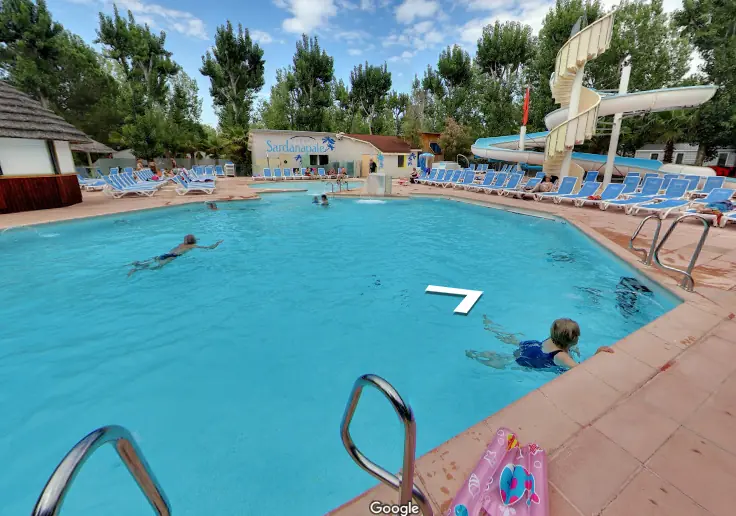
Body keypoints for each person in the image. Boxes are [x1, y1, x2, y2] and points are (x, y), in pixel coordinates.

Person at [465, 318, 613, 371]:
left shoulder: (553, 339)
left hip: (534, 347)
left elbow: (565, 342)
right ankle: (479, 357)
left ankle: (492, 328)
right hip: (534, 359)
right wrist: (597, 353)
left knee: (514, 342)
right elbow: (579, 369)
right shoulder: (561, 356)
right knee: (506, 361)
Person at [128, 235, 223, 276]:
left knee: (154, 260)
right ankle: (136, 270)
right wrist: (217, 243)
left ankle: (137, 264)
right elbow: (209, 248)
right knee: (158, 267)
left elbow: (189, 241)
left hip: (166, 254)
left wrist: (195, 239)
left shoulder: (182, 244)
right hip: (172, 256)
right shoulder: (193, 246)